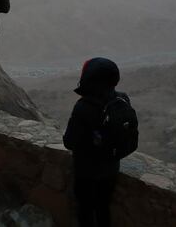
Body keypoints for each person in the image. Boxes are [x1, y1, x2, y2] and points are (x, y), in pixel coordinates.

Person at [63, 57, 122, 227]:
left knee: (86, 210)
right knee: (103, 208)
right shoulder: (121, 99)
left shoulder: (83, 106)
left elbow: (69, 142)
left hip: (87, 172)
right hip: (111, 168)